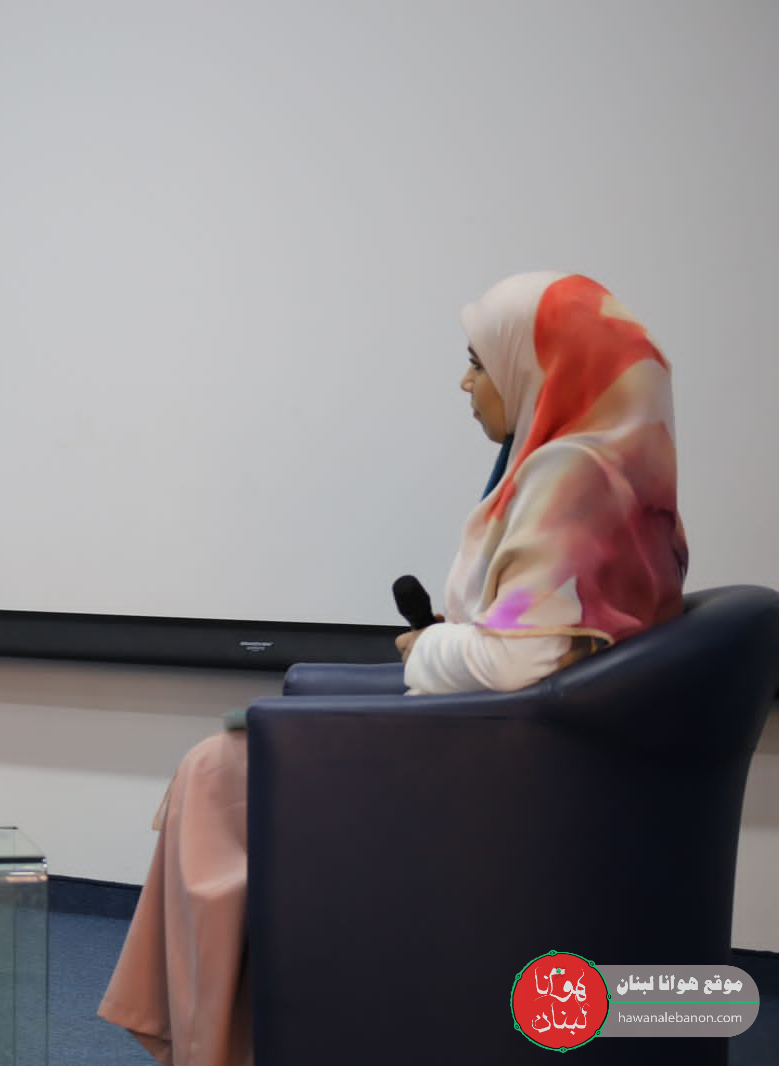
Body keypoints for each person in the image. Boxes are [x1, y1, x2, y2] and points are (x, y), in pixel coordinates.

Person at [96, 271, 689, 1065]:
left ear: (537, 367)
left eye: (479, 362)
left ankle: (212, 1045)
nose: (466, 382)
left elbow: (516, 658)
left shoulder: (574, 478)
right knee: (220, 769)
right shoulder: (620, 469)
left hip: (504, 790)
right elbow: (549, 650)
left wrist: (425, 649)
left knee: (213, 774)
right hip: (526, 763)